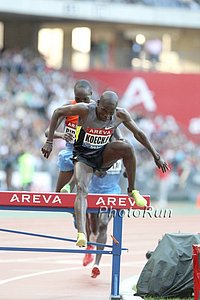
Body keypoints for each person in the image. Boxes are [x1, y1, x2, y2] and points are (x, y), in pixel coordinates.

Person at [41, 90, 169, 248]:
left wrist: (156, 156)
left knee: (127, 147)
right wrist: (49, 141)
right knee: (82, 189)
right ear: (98, 102)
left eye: (110, 112)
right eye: (103, 110)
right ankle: (81, 233)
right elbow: (57, 112)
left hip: (103, 155)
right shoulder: (85, 109)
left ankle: (132, 190)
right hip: (84, 157)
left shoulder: (120, 114)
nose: (106, 115)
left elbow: (138, 133)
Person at [45, 79, 93, 192]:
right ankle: (68, 187)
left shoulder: (96, 109)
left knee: (84, 194)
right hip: (70, 152)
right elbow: (48, 132)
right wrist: (62, 135)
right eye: (78, 99)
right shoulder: (69, 107)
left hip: (90, 153)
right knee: (60, 194)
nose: (81, 103)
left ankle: (71, 185)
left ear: (91, 94)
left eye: (85, 99)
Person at [86, 159, 123, 278]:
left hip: (112, 192)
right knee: (94, 227)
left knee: (104, 223)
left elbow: (129, 168)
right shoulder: (98, 147)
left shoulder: (123, 149)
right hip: (93, 191)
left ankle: (96, 264)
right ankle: (91, 239)